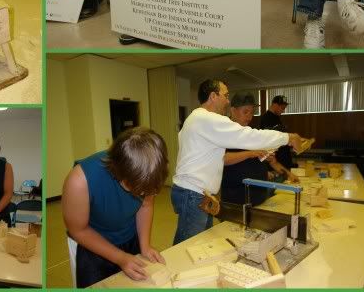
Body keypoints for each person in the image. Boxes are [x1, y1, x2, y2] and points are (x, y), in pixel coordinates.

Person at [172, 78, 304, 243]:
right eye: (225, 96)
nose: (227, 101)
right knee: (186, 246)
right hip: (193, 194)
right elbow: (247, 136)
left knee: (198, 243)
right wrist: (288, 137)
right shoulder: (205, 119)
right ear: (213, 96)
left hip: (200, 193)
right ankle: (175, 270)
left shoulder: (198, 119)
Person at [62, 126, 168, 287]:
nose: (145, 195)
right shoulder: (79, 180)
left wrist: (145, 246)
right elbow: (79, 230)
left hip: (130, 238)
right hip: (92, 245)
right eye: (140, 191)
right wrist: (120, 258)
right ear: (121, 174)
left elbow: (146, 206)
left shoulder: (147, 170)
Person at [222, 93, 289, 205]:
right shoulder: (224, 132)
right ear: (233, 110)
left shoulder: (251, 132)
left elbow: (251, 158)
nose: (249, 117)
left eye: (252, 112)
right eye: (245, 112)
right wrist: (251, 153)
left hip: (258, 196)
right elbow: (223, 159)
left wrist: (264, 157)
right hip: (236, 198)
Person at [256, 96, 294, 172]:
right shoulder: (267, 118)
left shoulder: (276, 118)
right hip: (275, 163)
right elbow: (269, 141)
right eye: (282, 108)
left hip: (281, 161)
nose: (283, 111)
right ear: (275, 105)